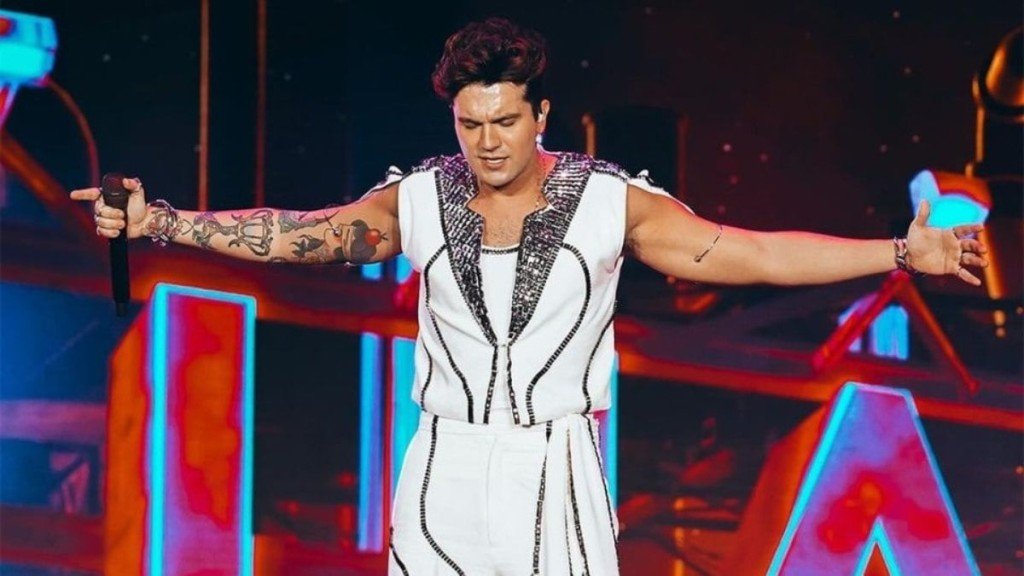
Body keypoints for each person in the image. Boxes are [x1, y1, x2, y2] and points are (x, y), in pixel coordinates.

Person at [72, 17, 987, 576]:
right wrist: (162, 221)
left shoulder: (609, 200)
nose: (488, 141)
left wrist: (899, 251)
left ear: (540, 115)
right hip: (442, 466)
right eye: (469, 123)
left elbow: (747, 253)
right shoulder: (419, 196)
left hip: (556, 466)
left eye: (505, 120)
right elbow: (300, 232)